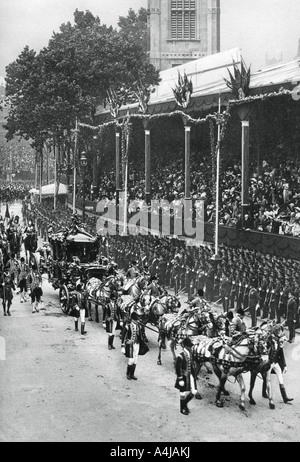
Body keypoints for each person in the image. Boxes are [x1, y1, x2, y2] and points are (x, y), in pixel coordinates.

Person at [174, 337, 199, 415]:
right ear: (185, 346)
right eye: (189, 346)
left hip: (190, 375)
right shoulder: (180, 355)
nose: (190, 347)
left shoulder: (190, 354)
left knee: (194, 391)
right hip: (183, 376)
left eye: (190, 346)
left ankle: (184, 404)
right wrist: (180, 378)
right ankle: (182, 409)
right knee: (183, 393)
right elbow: (178, 368)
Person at [121, 311, 146, 381]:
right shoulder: (128, 326)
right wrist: (123, 346)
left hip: (137, 344)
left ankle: (132, 374)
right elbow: (123, 337)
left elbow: (141, 336)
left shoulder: (139, 326)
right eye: (135, 320)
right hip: (130, 345)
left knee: (135, 360)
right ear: (132, 320)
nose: (137, 321)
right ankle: (128, 373)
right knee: (131, 360)